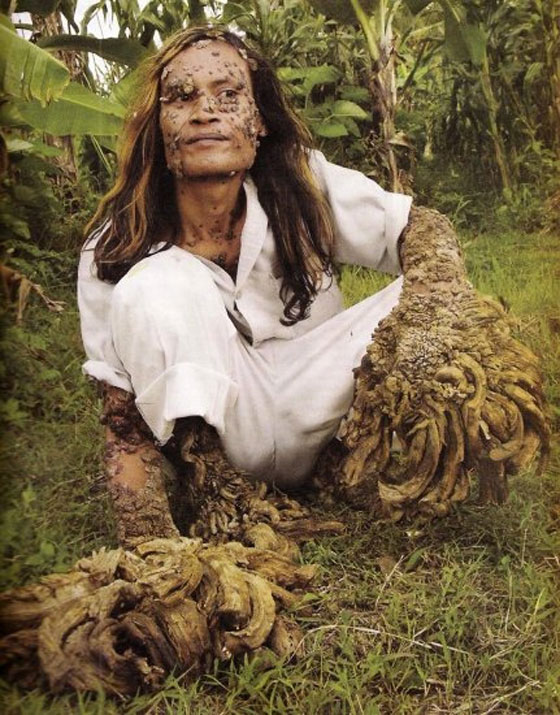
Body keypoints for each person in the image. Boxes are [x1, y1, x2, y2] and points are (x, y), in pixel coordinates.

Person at [78, 25, 412, 546]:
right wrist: (146, 542)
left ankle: (351, 470)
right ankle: (218, 498)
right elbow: (122, 416)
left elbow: (413, 229)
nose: (205, 111)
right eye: (181, 97)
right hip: (222, 434)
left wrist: (439, 298)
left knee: (432, 296)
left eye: (229, 95)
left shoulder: (301, 184)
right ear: (158, 128)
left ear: (258, 121)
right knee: (153, 283)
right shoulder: (115, 247)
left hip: (324, 405)